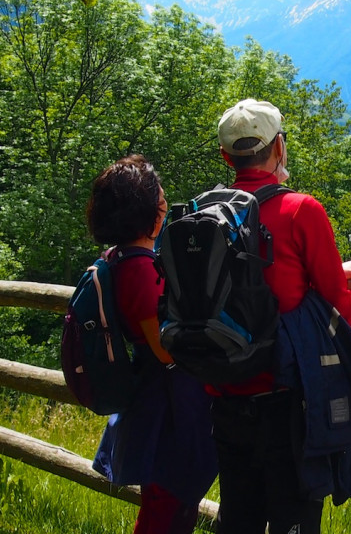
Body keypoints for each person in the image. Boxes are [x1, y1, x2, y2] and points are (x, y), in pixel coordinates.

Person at [210, 98, 351, 534]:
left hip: (226, 397)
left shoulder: (212, 213)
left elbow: (258, 274)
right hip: (286, 405)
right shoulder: (302, 210)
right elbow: (339, 301)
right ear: (279, 147)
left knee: (238, 523)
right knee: (294, 522)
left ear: (227, 157)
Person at [86, 155, 218, 534]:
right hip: (167, 407)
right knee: (167, 510)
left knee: (167, 507)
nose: (165, 201)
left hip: (158, 398)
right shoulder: (142, 270)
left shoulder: (120, 258)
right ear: (145, 209)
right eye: (159, 196)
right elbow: (163, 347)